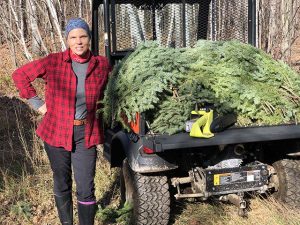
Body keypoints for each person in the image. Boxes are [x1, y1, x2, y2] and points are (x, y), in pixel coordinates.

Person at [12, 18, 111, 225]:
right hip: (56, 132)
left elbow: (115, 90)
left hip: (86, 134)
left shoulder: (101, 64)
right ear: (67, 40)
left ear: (89, 38)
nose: (78, 41)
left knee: (86, 187)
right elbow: (20, 75)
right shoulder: (53, 61)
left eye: (83, 36)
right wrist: (38, 104)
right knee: (62, 182)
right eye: (73, 37)